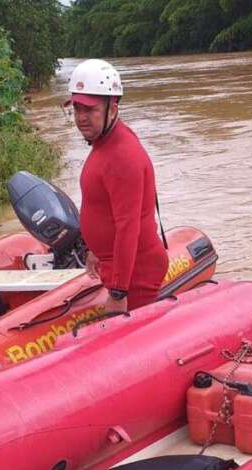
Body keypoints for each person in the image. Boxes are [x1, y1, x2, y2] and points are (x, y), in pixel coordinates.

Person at [66, 59, 168, 313]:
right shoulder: (106, 143)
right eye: (76, 109)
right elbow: (102, 208)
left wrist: (119, 291)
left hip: (136, 272)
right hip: (117, 265)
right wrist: (96, 250)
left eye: (89, 110)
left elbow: (127, 226)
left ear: (112, 108)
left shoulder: (122, 155)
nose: (81, 118)